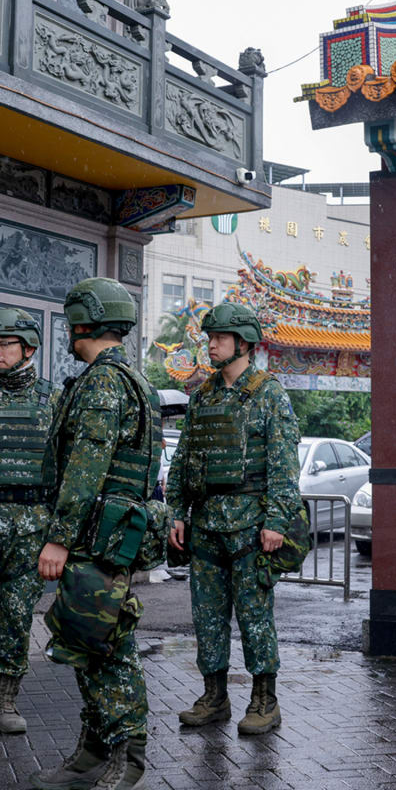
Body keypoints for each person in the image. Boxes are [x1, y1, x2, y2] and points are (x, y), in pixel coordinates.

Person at [31, 278, 160, 790]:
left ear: (85, 320)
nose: (66, 327)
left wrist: (59, 538)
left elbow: (87, 467)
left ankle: (128, 766)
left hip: (98, 539)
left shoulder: (105, 383)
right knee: (90, 643)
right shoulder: (125, 379)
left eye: (70, 318)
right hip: (104, 534)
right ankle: (91, 753)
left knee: (108, 648)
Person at [167, 301, 301, 734]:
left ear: (244, 342)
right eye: (209, 338)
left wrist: (277, 522)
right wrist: (177, 511)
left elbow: (284, 467)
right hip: (206, 527)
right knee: (207, 616)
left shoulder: (269, 394)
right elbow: (185, 458)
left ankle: (265, 700)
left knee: (254, 616)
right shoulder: (202, 395)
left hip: (249, 529)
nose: (212, 345)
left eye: (220, 338)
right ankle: (214, 697)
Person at [0, 308, 56, 734]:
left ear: (28, 348)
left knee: (16, 616)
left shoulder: (53, 400)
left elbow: (69, 470)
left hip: (31, 527)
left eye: (4, 344)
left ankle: (6, 701)